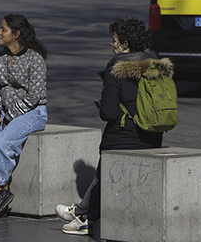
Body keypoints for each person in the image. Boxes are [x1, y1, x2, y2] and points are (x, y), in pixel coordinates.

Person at [56, 16, 168, 236]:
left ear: (125, 44)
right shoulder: (155, 65)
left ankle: (82, 216)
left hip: (122, 137)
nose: (112, 43)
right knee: (105, 177)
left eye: (115, 39)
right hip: (153, 136)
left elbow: (108, 113)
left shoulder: (116, 69)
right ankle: (81, 214)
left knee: (104, 175)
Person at [0, 14, 48, 221]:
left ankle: (2, 187)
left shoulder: (34, 59)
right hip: (5, 113)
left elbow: (34, 96)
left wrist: (10, 116)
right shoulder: (1, 58)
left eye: (3, 29)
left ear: (17, 34)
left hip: (32, 113)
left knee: (2, 143)